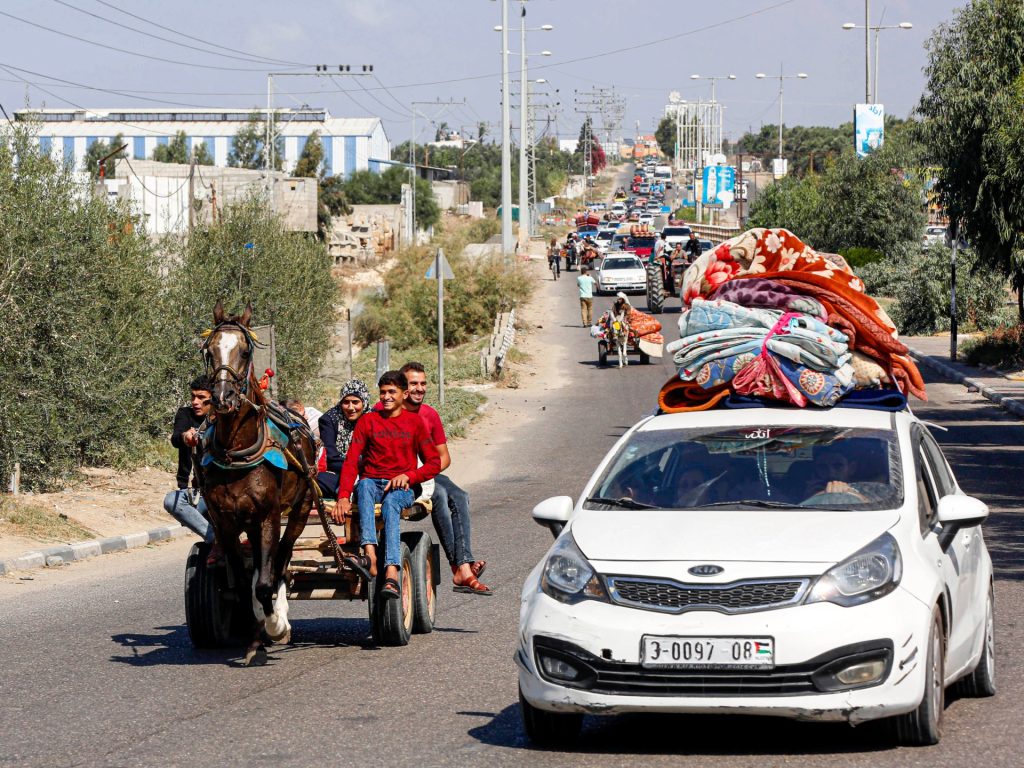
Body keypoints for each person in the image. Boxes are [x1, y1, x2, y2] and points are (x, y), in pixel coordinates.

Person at [334, 371, 441, 599]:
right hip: (372, 482)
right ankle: (370, 556)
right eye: (382, 392)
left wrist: (410, 476)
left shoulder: (416, 423)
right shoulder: (368, 421)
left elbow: (434, 463)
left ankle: (391, 570)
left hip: (403, 488)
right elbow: (352, 460)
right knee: (362, 487)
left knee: (392, 503)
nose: (386, 397)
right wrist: (343, 496)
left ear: (404, 394)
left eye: (392, 392)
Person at [399, 362, 491, 595]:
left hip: (426, 473)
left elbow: (444, 457)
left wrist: (425, 473)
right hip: (399, 475)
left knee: (460, 495)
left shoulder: (430, 414)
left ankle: (463, 563)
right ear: (402, 387)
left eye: (423, 384)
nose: (419, 389)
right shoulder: (390, 410)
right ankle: (460, 568)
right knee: (439, 494)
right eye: (413, 384)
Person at [163, 376, 215, 553]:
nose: (195, 402)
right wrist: (186, 437)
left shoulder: (223, 418)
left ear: (213, 397)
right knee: (172, 501)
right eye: (193, 397)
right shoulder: (185, 414)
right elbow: (176, 439)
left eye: (201, 397)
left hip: (225, 491)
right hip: (200, 493)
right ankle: (215, 540)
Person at [316, 379, 370, 498]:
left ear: (365, 402)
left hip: (369, 473)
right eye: (346, 402)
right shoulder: (329, 420)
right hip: (340, 471)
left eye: (355, 402)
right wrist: (352, 470)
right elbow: (331, 457)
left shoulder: (373, 418)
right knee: (318, 480)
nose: (351, 408)